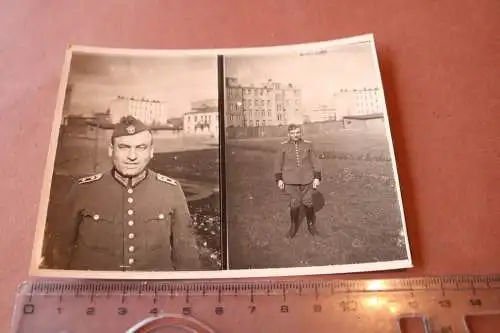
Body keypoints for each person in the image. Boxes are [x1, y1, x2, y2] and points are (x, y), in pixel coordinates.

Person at [51, 115, 203, 271]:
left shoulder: (171, 190)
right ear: (111, 150)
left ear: (151, 152)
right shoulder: (83, 190)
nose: (132, 156)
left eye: (141, 147)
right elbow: (59, 254)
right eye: (124, 147)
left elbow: (187, 258)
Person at [274, 123, 322, 238]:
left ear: (301, 133)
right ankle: (293, 226)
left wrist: (316, 177)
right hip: (290, 180)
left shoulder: (308, 145)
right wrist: (279, 179)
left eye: (297, 132)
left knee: (308, 202)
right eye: (292, 133)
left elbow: (315, 162)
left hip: (307, 179)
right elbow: (278, 164)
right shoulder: (283, 146)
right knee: (294, 203)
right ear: (289, 134)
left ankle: (311, 226)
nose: (295, 135)